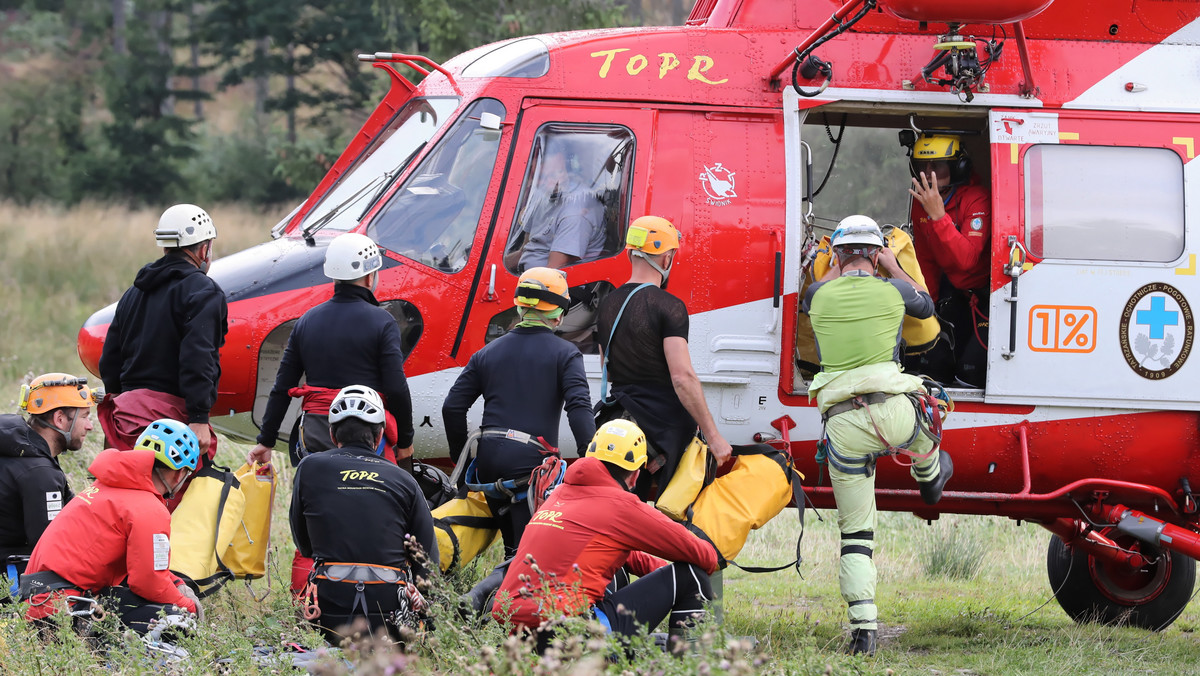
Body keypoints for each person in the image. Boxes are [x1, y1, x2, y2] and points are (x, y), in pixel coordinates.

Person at [802, 216, 954, 656]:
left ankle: (864, 631)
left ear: (839, 255)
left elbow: (814, 292)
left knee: (856, 534)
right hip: (893, 411)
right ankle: (928, 476)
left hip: (844, 425)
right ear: (874, 253)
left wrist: (830, 264)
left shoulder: (819, 298)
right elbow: (926, 307)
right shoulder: (893, 291)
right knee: (928, 411)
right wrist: (892, 264)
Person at [442, 267, 596, 612]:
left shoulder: (488, 352)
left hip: (489, 464)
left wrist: (462, 461)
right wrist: (592, 462)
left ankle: (494, 611)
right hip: (531, 468)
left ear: (519, 305)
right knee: (528, 555)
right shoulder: (565, 354)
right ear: (558, 312)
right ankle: (482, 604)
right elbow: (579, 409)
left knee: (516, 542)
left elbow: (453, 407)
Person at [491, 419, 718, 650]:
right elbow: (705, 556)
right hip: (574, 636)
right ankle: (689, 663)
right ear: (635, 475)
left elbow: (620, 553)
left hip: (521, 636)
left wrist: (658, 573)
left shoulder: (559, 494)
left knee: (614, 564)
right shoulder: (622, 505)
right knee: (692, 577)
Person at [249, 232, 414, 469]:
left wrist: (266, 440)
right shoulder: (383, 322)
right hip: (366, 435)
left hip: (316, 433)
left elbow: (282, 387)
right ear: (369, 277)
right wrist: (406, 440)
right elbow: (396, 388)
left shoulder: (307, 321)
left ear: (333, 275)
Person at [594, 215, 732, 501]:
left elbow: (605, 363)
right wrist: (714, 436)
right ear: (667, 258)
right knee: (670, 514)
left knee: (620, 507)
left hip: (620, 421)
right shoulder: (669, 307)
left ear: (632, 253)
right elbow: (682, 377)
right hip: (666, 429)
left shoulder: (607, 305)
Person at [21, 419, 202, 635]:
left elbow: (142, 566)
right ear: (180, 473)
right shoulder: (149, 508)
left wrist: (176, 583)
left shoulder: (106, 486)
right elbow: (148, 582)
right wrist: (189, 606)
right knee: (174, 617)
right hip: (61, 613)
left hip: (39, 604)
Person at [98, 203, 227, 504]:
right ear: (204, 249)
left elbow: (110, 358)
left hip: (126, 419)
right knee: (175, 514)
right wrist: (198, 418)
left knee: (123, 505)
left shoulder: (134, 293)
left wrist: (120, 402)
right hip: (173, 426)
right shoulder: (203, 291)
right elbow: (199, 355)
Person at [291, 385, 438, 644]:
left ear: (332, 433)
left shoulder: (309, 468)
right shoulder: (404, 479)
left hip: (329, 607)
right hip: (389, 610)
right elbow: (428, 562)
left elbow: (304, 544)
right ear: (380, 434)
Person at [906, 133, 991, 387]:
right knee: (934, 363)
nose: (928, 173)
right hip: (951, 291)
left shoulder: (977, 198)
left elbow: (967, 260)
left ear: (958, 167)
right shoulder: (922, 203)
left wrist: (938, 216)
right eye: (923, 166)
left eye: (938, 166)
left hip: (985, 296)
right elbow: (926, 260)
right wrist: (925, 309)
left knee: (970, 371)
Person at [0, 374, 96, 589]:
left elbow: (73, 509)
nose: (89, 426)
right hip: (9, 579)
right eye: (85, 417)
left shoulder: (18, 447)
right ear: (60, 419)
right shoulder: (39, 473)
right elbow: (50, 549)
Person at [513, 144, 608, 272]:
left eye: (558, 172)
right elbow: (525, 250)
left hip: (548, 285)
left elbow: (553, 272)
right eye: (542, 177)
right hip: (525, 276)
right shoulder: (544, 196)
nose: (553, 181)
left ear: (567, 170)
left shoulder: (575, 212)